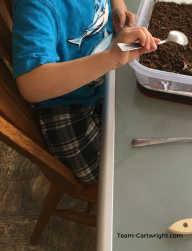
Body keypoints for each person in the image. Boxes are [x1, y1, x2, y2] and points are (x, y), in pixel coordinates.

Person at [12, 0, 160, 184]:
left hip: (101, 79)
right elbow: (30, 84)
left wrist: (118, 7)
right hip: (63, 102)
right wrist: (111, 58)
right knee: (103, 173)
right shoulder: (35, 7)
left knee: (132, 131)